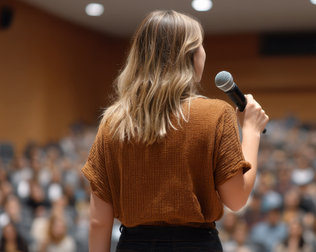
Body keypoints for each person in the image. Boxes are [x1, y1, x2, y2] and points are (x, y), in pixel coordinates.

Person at [81, 10, 269, 252]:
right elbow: (237, 198)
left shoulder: (113, 122)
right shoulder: (216, 114)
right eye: (201, 45)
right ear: (189, 56)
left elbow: (98, 222)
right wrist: (251, 131)